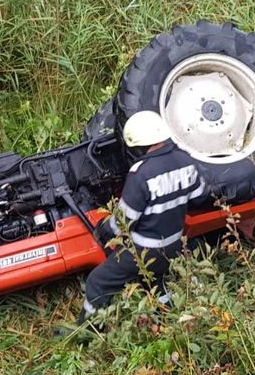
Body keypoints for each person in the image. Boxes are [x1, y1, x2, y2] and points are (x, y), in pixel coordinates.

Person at [59, 111, 205, 335]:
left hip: (145, 250)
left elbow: (123, 222)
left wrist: (104, 229)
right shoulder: (186, 161)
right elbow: (200, 195)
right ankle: (168, 321)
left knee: (98, 281)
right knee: (155, 281)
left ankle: (88, 331)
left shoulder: (141, 173)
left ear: (139, 146)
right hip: (173, 245)